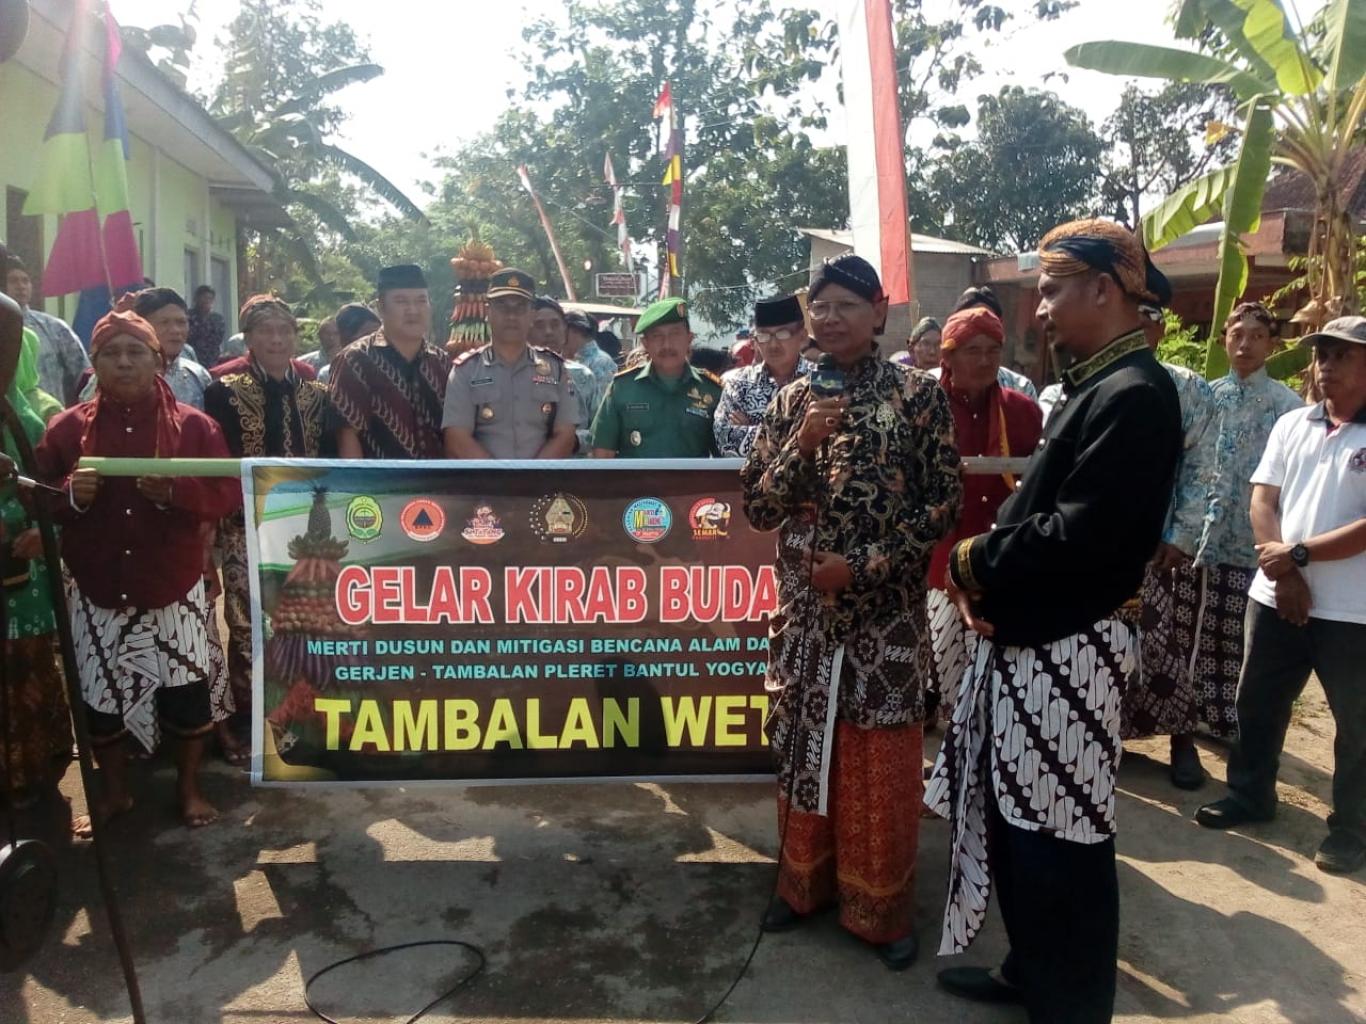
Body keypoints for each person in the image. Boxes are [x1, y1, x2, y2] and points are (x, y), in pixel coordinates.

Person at [926, 219, 1183, 1022]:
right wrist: (985, 577)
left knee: (1062, 835)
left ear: (1103, 291)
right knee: (1019, 822)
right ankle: (1031, 971)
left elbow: (1079, 534)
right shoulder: (1099, 387)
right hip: (1034, 641)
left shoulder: (1137, 394)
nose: (1038, 311)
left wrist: (970, 561)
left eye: (1049, 290)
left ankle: (1069, 1003)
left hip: (1072, 647)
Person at [741, 253, 961, 970]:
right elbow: (758, 505)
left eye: (844, 305)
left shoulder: (917, 398)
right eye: (819, 306)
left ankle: (880, 910)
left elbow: (942, 504)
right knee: (806, 748)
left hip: (884, 615)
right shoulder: (787, 403)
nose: (829, 318)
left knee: (878, 761)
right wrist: (800, 448)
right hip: (805, 614)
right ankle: (801, 886)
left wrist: (860, 568)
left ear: (879, 313)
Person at [35, 304, 240, 833]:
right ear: (95, 365)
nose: (123, 363)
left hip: (172, 583)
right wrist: (70, 496)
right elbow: (36, 497)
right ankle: (115, 793)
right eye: (111, 354)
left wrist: (176, 491)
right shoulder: (65, 431)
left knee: (187, 692)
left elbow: (227, 494)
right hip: (98, 584)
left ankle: (190, 789)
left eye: (135, 353)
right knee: (99, 697)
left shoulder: (196, 427)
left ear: (157, 361)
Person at [1196, 316, 1366, 876]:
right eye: (1323, 353)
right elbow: (1262, 500)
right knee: (1257, 701)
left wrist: (1297, 558)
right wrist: (1286, 570)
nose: (1326, 365)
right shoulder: (1294, 423)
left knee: (1357, 724)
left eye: (1342, 355)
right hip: (1274, 597)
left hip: (1353, 611)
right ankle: (1250, 795)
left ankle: (1351, 830)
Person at [204, 294, 330, 758]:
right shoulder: (224, 392)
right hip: (245, 528)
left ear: (296, 337)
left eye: (284, 331)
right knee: (247, 620)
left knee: (304, 621)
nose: (276, 339)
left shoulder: (317, 394)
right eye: (265, 332)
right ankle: (248, 718)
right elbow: (219, 465)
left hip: (305, 531)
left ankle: (304, 713)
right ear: (250, 339)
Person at [1186, 303, 1302, 739]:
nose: (1245, 344)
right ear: (1224, 340)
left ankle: (1233, 721)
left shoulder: (1288, 409)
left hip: (1253, 544)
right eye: (1237, 334)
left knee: (1239, 638)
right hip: (1201, 537)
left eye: (1256, 335)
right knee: (1193, 630)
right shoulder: (1207, 396)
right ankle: (1190, 715)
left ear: (1272, 343)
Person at [924, 306, 1042, 726]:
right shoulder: (924, 409)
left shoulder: (1023, 411)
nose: (986, 359)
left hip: (1002, 562)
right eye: (973, 350)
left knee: (1004, 677)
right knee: (950, 669)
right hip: (938, 563)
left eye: (993, 349)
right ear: (948, 356)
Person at [1118, 299, 1218, 789]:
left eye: (1148, 320)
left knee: (1162, 644)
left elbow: (1202, 470)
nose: (1139, 329)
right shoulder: (1094, 380)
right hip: (1101, 541)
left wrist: (1181, 534)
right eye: (1130, 319)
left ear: (1160, 327)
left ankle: (1182, 739)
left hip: (1159, 543)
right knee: (1104, 646)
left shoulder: (1189, 388)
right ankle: (1103, 735)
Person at [0, 290, 70, 810]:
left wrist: (44, 533)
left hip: (21, 581)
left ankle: (34, 774)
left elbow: (62, 494)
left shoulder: (32, 419)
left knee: (27, 667)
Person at [443, 273, 579, 460]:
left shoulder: (556, 369)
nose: (511, 315)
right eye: (502, 306)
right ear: (487, 312)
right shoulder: (465, 371)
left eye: (520, 307)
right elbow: (456, 438)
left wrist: (532, 478)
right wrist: (501, 480)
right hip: (484, 485)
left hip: (542, 483)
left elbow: (565, 434)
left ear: (532, 315)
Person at [330, 264, 450, 460]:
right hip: (379, 486)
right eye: (401, 301)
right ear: (381, 307)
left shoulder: (442, 363)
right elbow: (347, 437)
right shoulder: (355, 360)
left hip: (436, 485)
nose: (413, 310)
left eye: (421, 301)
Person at [590, 297, 722, 458]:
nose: (667, 345)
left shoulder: (712, 390)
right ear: (645, 343)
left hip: (691, 483)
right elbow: (602, 453)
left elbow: (722, 456)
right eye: (657, 336)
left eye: (675, 334)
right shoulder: (622, 388)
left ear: (689, 338)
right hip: (635, 482)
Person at [714, 294, 814, 458]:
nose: (773, 344)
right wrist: (801, 435)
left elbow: (826, 442)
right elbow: (726, 441)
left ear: (802, 336)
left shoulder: (819, 381)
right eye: (764, 336)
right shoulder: (739, 383)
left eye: (782, 334)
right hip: (751, 482)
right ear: (755, 341)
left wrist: (755, 429)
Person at [77, 288, 213, 409]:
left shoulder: (198, 375)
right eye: (164, 322)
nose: (175, 330)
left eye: (181, 322)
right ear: (142, 325)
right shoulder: (117, 373)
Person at [3, 253, 91, 405]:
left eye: (25, 281)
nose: (21, 286)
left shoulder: (54, 328)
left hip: (52, 421)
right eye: (13, 281)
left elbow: (85, 378)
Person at [528, 295, 599, 450]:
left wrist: (571, 441)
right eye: (539, 326)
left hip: (573, 468)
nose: (548, 332)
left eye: (555, 325)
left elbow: (601, 432)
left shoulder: (583, 376)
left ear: (565, 329)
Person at [951, 286, 1038, 399]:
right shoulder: (931, 387)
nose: (981, 331)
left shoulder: (1021, 389)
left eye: (989, 322)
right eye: (973, 323)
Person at [565, 310, 618, 396]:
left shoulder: (600, 362)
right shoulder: (572, 358)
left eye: (564, 331)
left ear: (577, 331)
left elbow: (600, 403)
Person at [187, 285, 227, 368]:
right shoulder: (187, 317)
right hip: (191, 360)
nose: (207, 301)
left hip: (212, 362)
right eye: (204, 298)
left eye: (210, 298)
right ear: (196, 299)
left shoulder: (218, 319)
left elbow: (217, 340)